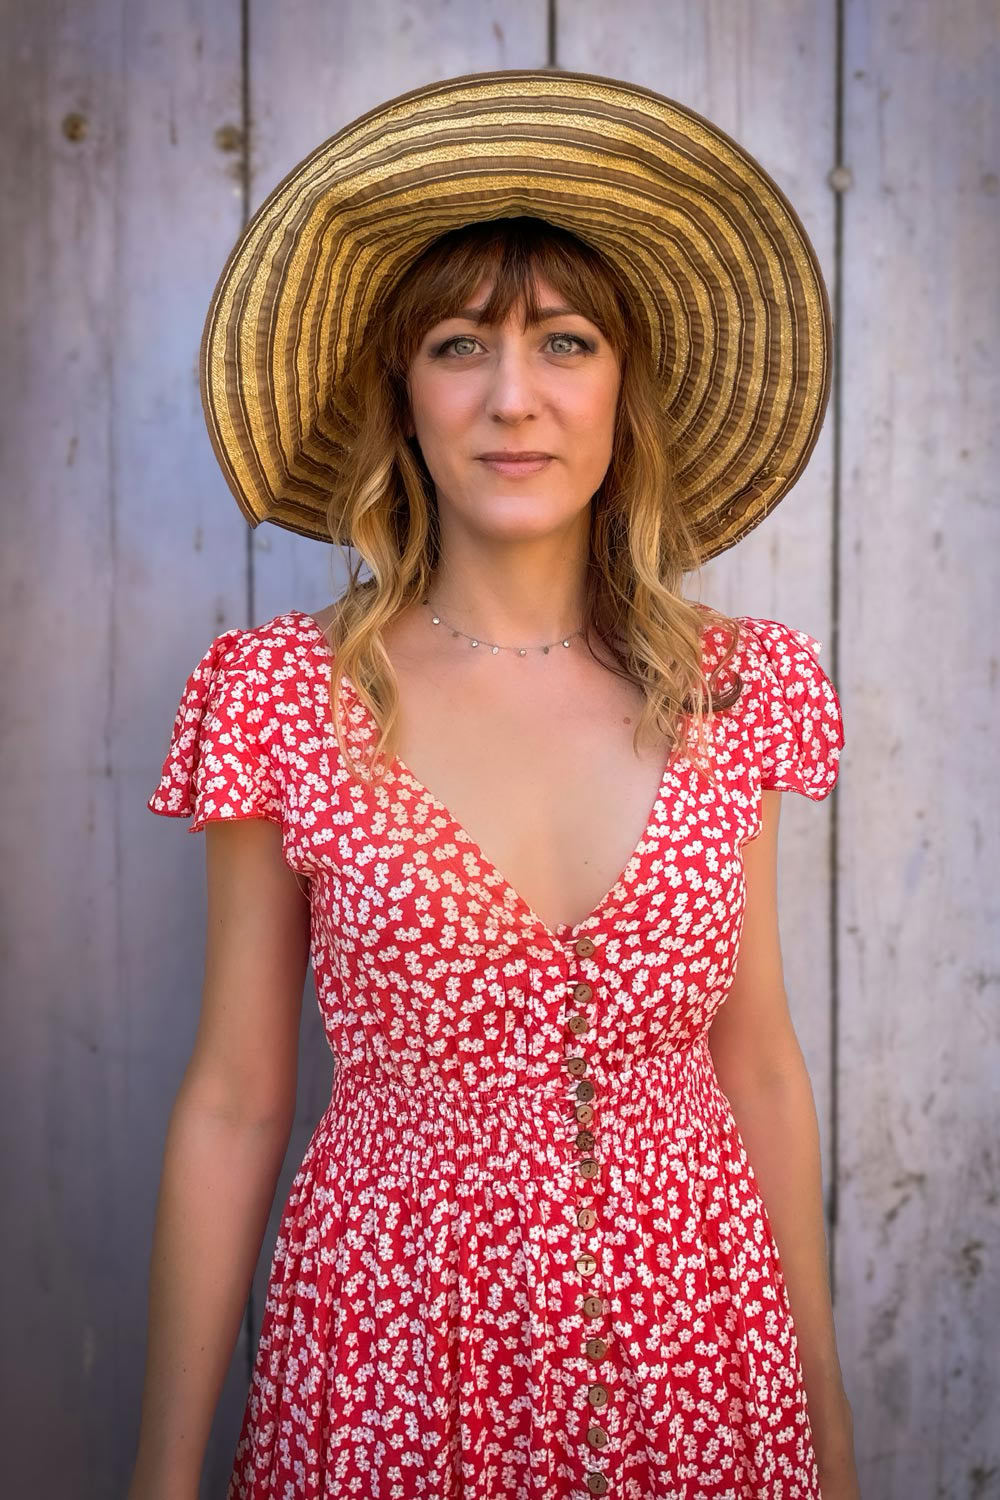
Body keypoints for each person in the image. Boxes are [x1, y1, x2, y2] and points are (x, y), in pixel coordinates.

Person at [129, 72, 860, 1500]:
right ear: (402, 396)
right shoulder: (281, 696)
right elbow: (233, 1101)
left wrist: (823, 1410)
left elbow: (759, 1059)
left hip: (701, 1355)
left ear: (626, 390)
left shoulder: (737, 688)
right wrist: (160, 1476)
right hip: (390, 1356)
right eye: (460, 345)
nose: (513, 397)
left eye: (566, 342)